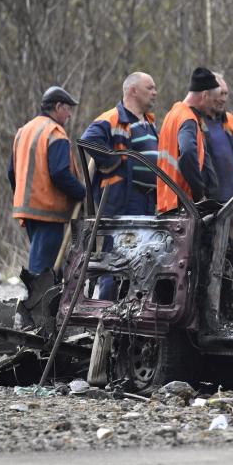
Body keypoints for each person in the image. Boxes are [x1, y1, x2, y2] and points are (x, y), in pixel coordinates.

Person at [81, 72, 160, 300]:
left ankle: (128, 313)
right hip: (121, 201)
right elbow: (88, 140)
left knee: (139, 260)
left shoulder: (149, 123)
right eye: (150, 87)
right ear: (133, 90)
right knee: (114, 261)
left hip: (147, 201)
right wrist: (113, 161)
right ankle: (106, 314)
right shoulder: (113, 118)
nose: (155, 92)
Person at [9, 86, 86, 283]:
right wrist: (83, 193)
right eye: (68, 108)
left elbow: (11, 172)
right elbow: (60, 174)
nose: (69, 114)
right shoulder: (55, 133)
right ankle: (36, 310)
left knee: (46, 264)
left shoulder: (24, 131)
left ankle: (47, 308)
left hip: (28, 208)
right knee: (42, 267)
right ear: (58, 106)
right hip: (48, 210)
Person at [156, 67, 219, 212]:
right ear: (204, 95)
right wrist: (199, 193)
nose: (212, 107)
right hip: (183, 205)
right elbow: (188, 153)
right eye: (212, 101)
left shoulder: (173, 114)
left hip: (169, 202)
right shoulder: (187, 118)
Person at [203, 72, 233, 202]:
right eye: (220, 93)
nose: (224, 99)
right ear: (206, 94)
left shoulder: (230, 121)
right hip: (207, 205)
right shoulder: (195, 122)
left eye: (226, 94)